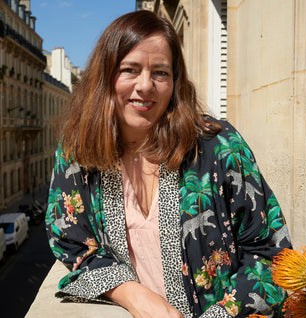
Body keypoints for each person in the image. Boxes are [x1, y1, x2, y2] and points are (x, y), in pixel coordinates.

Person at [46, 10, 292, 318]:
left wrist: (219, 314)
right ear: (105, 76)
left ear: (175, 81)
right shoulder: (77, 152)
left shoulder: (219, 146)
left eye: (160, 73)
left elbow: (271, 256)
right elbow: (70, 242)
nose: (146, 86)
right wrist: (129, 292)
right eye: (130, 69)